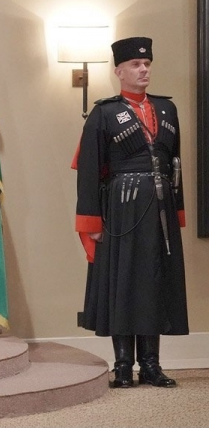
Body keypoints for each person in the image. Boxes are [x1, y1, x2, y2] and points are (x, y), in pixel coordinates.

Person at [73, 36, 188, 389]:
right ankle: (123, 365)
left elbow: (175, 166)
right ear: (119, 71)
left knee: (155, 281)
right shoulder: (105, 113)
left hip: (160, 210)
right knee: (122, 282)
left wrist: (177, 212)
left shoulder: (167, 109)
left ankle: (151, 365)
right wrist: (91, 221)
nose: (144, 70)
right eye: (136, 65)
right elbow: (89, 170)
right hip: (121, 209)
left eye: (147, 64)